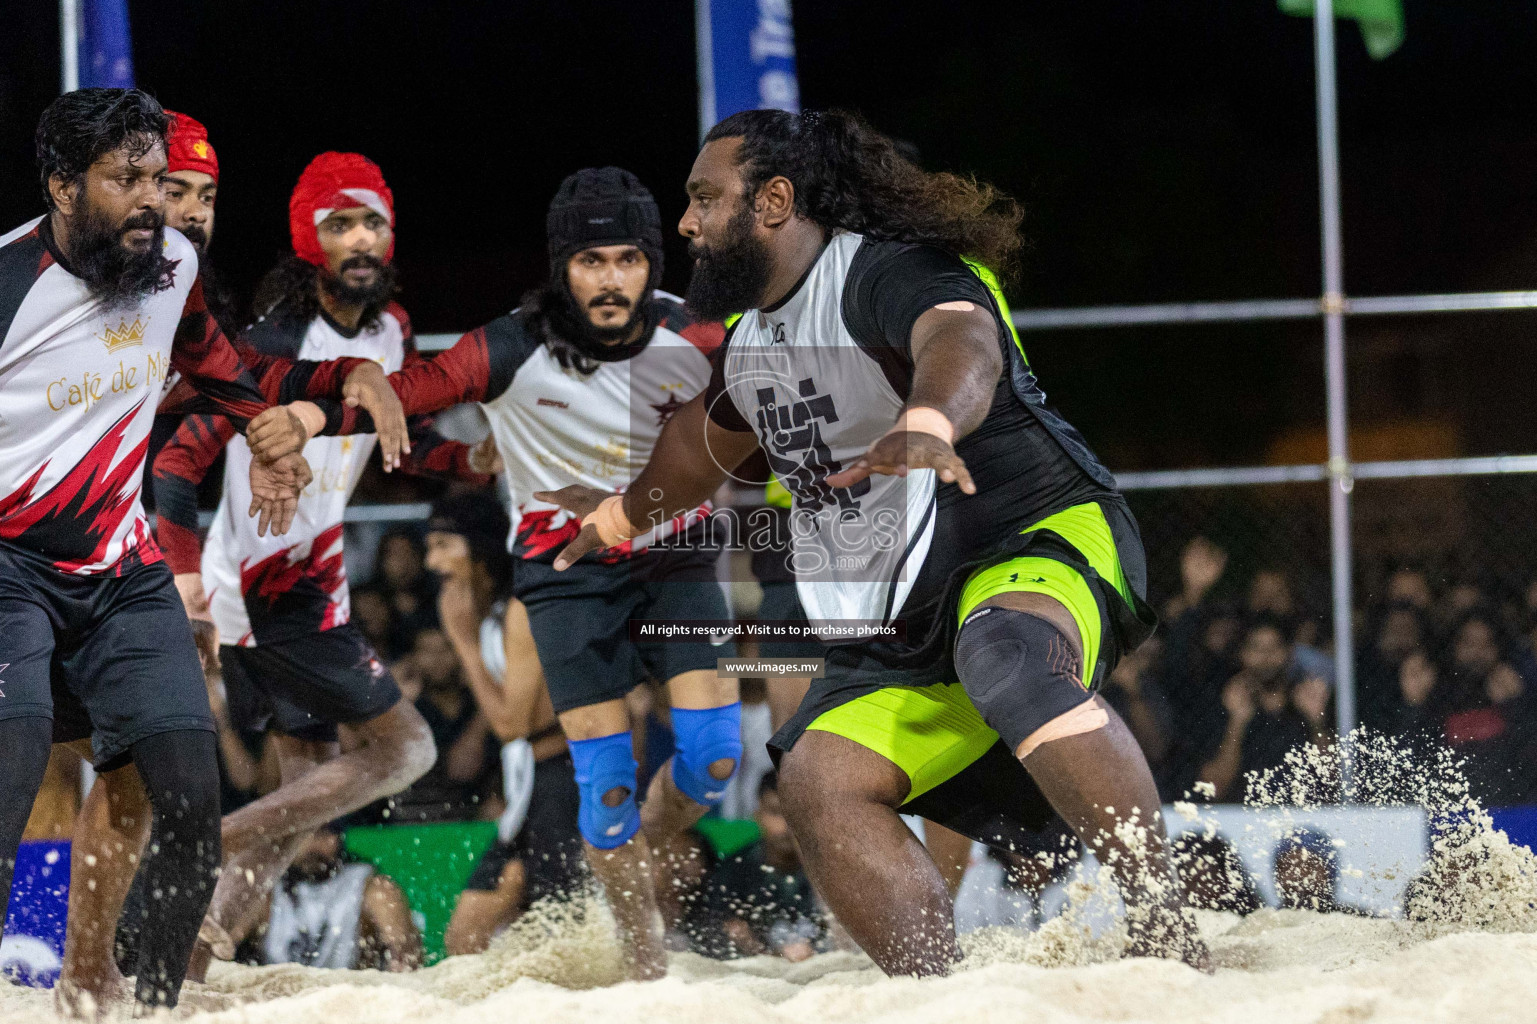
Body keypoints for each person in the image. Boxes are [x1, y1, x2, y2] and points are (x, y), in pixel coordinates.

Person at [538, 108, 1208, 974]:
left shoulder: (886, 273)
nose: (686, 224)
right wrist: (619, 517)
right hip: (895, 608)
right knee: (817, 777)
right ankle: (933, 990)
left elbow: (959, 339)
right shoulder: (750, 342)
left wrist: (928, 417)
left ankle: (1167, 933)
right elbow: (702, 446)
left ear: (773, 202)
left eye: (705, 198)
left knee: (1003, 651)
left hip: (1028, 536)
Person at [0, 88, 370, 1014]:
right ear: (61, 185)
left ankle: (149, 1005)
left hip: (121, 575)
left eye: (159, 181)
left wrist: (262, 429)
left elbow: (211, 362)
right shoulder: (8, 280)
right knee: (11, 769)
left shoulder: (168, 262)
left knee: (189, 795)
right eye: (127, 181)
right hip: (8, 567)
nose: (154, 203)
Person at [328, 167, 741, 978]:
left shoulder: (701, 334)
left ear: (651, 263)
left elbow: (788, 395)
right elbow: (416, 389)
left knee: (715, 761)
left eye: (628, 258)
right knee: (608, 784)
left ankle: (636, 842)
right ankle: (643, 953)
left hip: (677, 557)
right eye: (592, 262)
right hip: (565, 570)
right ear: (562, 268)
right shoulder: (511, 344)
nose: (612, 279)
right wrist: (322, 405)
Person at [153, 151, 490, 981]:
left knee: (299, 800)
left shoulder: (391, 331)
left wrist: (477, 463)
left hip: (316, 579)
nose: (360, 238)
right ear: (309, 239)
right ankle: (200, 843)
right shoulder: (275, 337)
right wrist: (189, 576)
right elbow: (182, 456)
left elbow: (388, 445)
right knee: (404, 751)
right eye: (339, 223)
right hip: (264, 591)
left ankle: (192, 963)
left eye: (371, 220)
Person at [427, 496, 585, 954]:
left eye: (442, 544)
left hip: (561, 786)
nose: (431, 561)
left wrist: (465, 645)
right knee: (463, 943)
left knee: (567, 944)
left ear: (479, 547)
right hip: (528, 790)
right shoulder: (495, 611)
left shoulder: (520, 610)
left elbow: (512, 725)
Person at [1193, 617, 1334, 803]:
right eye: (1256, 648)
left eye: (1274, 648)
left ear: (1289, 654)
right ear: (1242, 654)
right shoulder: (1226, 706)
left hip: (1301, 819)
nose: (1266, 657)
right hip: (1242, 819)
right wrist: (1237, 722)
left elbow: (1334, 782)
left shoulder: (1309, 702)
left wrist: (1316, 721)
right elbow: (1213, 788)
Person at [684, 772, 822, 961]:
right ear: (758, 815)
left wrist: (814, 864)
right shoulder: (733, 873)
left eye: (796, 814)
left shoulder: (832, 870)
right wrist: (758, 950)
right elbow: (709, 938)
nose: (788, 825)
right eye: (776, 812)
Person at [246, 827, 422, 971]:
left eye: (325, 832)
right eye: (305, 834)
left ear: (340, 837)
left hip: (351, 1001)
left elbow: (406, 957)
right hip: (280, 1001)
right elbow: (224, 948)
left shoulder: (370, 887)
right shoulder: (264, 890)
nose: (314, 845)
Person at [1272, 830, 1370, 916]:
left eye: (1309, 866)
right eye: (1288, 866)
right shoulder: (1264, 924)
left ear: (1328, 872)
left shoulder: (1356, 921)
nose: (1299, 874)